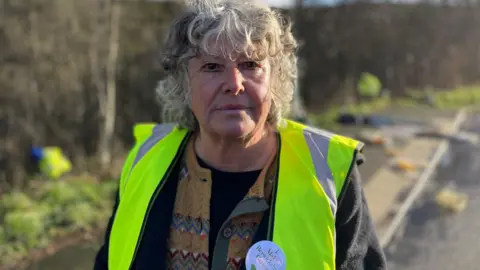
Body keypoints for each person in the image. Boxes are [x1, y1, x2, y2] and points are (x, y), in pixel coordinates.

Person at [94, 0, 387, 269]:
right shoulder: (144, 160)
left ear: (276, 79)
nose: (234, 84)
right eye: (212, 67)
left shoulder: (330, 173)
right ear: (184, 83)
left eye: (250, 65)